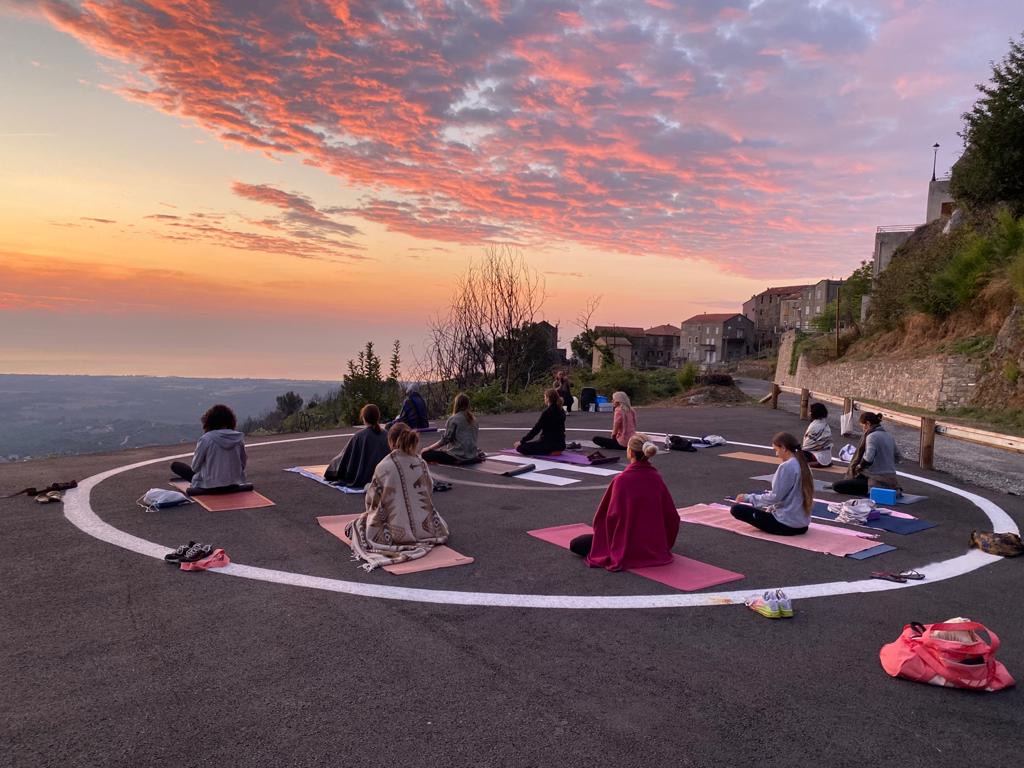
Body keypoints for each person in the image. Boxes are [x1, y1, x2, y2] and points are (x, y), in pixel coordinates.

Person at [345, 423, 450, 570]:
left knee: (358, 525)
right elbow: (429, 489)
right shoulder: (420, 462)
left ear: (391, 441)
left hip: (396, 530)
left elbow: (372, 501)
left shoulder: (384, 466)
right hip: (426, 527)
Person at [569, 434, 679, 569]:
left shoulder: (621, 480)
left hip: (625, 542)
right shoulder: (656, 478)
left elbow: (608, 517)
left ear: (630, 452)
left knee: (576, 544)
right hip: (652, 542)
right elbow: (671, 516)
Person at [729, 432, 812, 536]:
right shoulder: (804, 464)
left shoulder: (786, 467)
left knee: (736, 509)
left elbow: (775, 497)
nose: (776, 454)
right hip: (803, 525)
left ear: (784, 448)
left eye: (776, 450)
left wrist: (748, 498)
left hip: (787, 525)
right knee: (768, 509)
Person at [170, 404, 248, 494]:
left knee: (175, 465)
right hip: (234, 484)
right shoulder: (238, 438)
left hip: (209, 486)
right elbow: (243, 464)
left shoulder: (206, 439)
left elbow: (195, 467)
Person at [831, 412, 902, 497]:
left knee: (837, 486)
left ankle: (875, 490)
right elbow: (898, 458)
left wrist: (860, 466)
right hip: (891, 479)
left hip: (876, 479)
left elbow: (869, 458)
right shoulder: (889, 436)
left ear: (868, 423)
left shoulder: (871, 436)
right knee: (857, 479)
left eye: (862, 426)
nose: (863, 429)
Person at [323, 403, 390, 487]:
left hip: (364, 478)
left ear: (364, 418)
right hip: (385, 476)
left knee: (335, 462)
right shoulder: (386, 435)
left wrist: (333, 464)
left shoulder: (359, 436)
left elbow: (346, 457)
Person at [421, 393, 481, 465]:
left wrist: (429, 448)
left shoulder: (454, 419)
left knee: (425, 454)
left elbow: (445, 440)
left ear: (456, 404)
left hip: (457, 456)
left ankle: (458, 460)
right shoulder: (474, 420)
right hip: (472, 455)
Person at [514, 388, 566, 456]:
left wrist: (522, 441)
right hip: (561, 444)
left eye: (544, 397)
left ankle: (550, 452)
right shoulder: (561, 410)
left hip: (548, 444)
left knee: (520, 448)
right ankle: (555, 450)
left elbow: (536, 429)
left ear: (548, 398)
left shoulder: (547, 412)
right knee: (535, 444)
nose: (544, 399)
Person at [802, 402, 833, 467]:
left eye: (810, 411)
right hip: (827, 456)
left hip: (816, 455)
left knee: (796, 454)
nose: (809, 413)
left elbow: (807, 445)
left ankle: (814, 463)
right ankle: (823, 463)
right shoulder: (826, 425)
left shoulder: (814, 426)